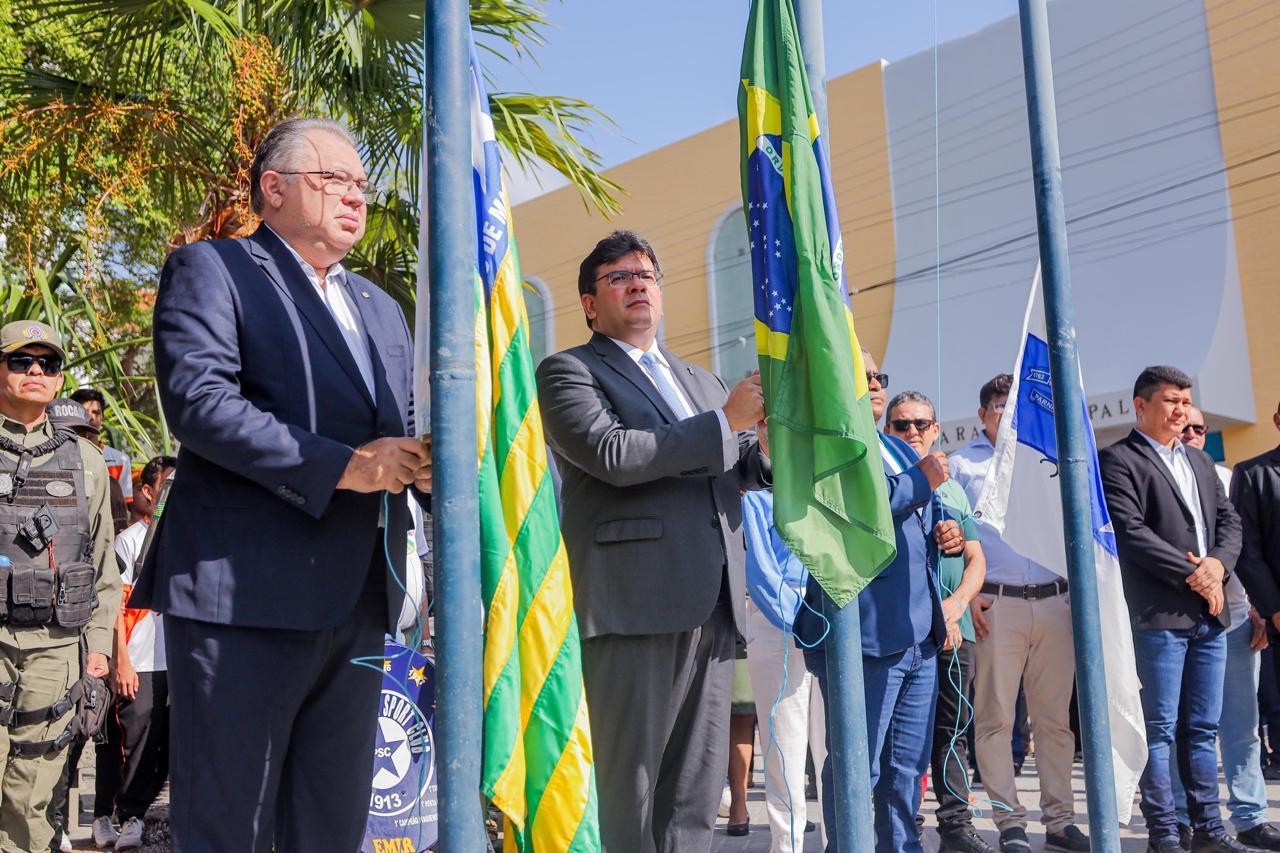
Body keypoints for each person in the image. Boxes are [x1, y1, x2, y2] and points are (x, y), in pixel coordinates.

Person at [133, 117, 432, 852]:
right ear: (274, 188)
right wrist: (346, 466)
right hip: (245, 595)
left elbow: (400, 426)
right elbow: (201, 403)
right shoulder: (215, 269)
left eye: (361, 184)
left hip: (357, 600)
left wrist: (432, 462)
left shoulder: (382, 310)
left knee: (330, 825)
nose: (356, 197)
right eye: (335, 180)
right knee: (230, 824)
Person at [535, 229, 770, 852]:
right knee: (629, 788)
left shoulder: (702, 381)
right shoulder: (569, 371)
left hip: (713, 602)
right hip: (634, 604)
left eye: (647, 275)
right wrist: (726, 423)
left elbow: (739, 464)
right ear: (590, 304)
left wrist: (767, 447)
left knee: (694, 792)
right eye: (619, 277)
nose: (638, 285)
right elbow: (613, 453)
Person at [794, 353, 965, 853]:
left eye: (877, 377)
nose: (873, 384)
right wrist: (922, 480)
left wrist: (946, 534)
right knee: (857, 766)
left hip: (917, 637)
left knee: (905, 771)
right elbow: (858, 507)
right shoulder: (828, 441)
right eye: (861, 374)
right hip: (865, 636)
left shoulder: (893, 445)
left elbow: (915, 518)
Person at [1099, 366, 1246, 853]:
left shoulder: (1200, 461)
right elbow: (1131, 532)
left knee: (1202, 729)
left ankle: (1209, 831)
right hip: (1158, 616)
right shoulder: (1118, 459)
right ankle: (1164, 832)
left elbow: (1230, 524)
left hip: (1209, 616)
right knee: (1159, 730)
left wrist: (1217, 567)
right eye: (1171, 401)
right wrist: (1197, 576)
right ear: (1140, 406)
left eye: (1186, 401)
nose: (1181, 410)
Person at [950, 373, 1089, 853]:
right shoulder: (961, 465)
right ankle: (1009, 822)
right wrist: (966, 597)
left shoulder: (1051, 458)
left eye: (1017, 408)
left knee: (1055, 722)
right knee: (995, 719)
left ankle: (1060, 822)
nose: (1010, 416)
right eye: (1001, 407)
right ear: (983, 413)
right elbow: (948, 538)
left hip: (1055, 603)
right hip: (996, 605)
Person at [0, 321, 120, 851]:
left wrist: (99, 648)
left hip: (56, 650)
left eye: (47, 364)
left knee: (32, 797)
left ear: (59, 379)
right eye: (21, 360)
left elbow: (103, 566)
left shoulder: (87, 461)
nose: (35, 371)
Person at [883, 391, 993, 853]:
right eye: (901, 425)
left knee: (953, 731)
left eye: (921, 424)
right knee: (900, 741)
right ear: (887, 430)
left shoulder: (951, 486)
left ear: (936, 430)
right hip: (905, 631)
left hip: (953, 630)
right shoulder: (885, 479)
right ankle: (900, 826)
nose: (912, 432)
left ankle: (955, 826)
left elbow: (977, 559)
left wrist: (957, 605)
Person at [1169, 406, 1280, 849]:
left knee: (1242, 726)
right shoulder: (1155, 473)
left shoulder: (1228, 476)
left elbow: (1244, 547)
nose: (1191, 433)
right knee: (1180, 728)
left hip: (1234, 620)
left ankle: (1251, 816)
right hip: (1176, 623)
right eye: (1184, 427)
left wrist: (1257, 608)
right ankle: (1179, 819)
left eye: (1199, 428)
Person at [741, 423, 826, 853]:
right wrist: (803, 621)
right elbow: (760, 572)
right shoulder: (755, 495)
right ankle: (787, 846)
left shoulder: (829, 486)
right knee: (783, 750)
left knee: (834, 748)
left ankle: (840, 842)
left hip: (830, 625)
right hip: (780, 625)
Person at [91, 454, 177, 851]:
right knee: (125, 742)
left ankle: (135, 814)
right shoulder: (131, 541)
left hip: (174, 661)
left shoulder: (188, 536)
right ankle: (113, 815)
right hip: (138, 660)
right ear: (148, 491)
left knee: (162, 747)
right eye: (167, 486)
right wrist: (121, 661)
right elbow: (114, 607)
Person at [70, 388, 133, 506]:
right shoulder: (60, 454)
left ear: (102, 418)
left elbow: (122, 507)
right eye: (84, 411)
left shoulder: (120, 461)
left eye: (96, 412)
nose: (91, 417)